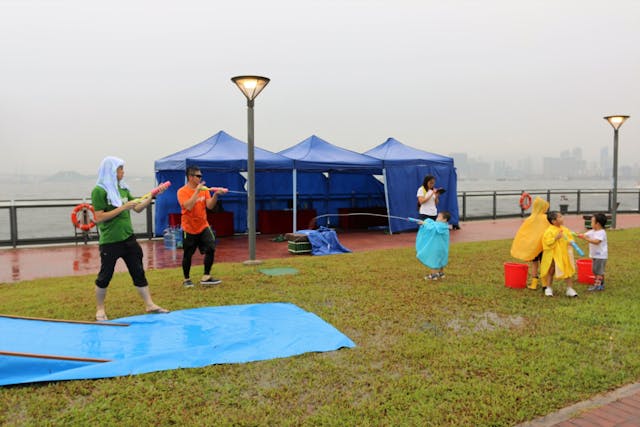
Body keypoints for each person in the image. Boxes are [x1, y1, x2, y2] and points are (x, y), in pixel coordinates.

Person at [91, 156, 169, 321]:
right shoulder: (99, 191)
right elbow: (98, 217)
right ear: (111, 171)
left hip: (128, 239)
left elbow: (138, 207)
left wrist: (153, 195)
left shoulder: (123, 189)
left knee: (138, 271)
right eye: (120, 169)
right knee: (105, 275)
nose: (123, 172)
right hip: (110, 242)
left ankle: (149, 304)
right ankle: (100, 309)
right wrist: (122, 208)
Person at [177, 166, 227, 288]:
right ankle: (186, 279)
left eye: (201, 176)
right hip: (189, 228)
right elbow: (188, 206)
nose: (200, 178)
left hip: (203, 225)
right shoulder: (182, 191)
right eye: (198, 176)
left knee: (211, 247)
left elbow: (209, 206)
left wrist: (215, 195)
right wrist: (196, 191)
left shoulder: (204, 190)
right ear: (190, 177)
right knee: (188, 254)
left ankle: (206, 276)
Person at [510, 196, 550, 290]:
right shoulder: (546, 218)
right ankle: (545, 284)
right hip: (544, 246)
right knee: (544, 264)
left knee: (535, 264)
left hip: (534, 247)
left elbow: (524, 233)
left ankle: (534, 284)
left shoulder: (530, 219)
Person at [539, 211, 579, 298]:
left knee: (567, 270)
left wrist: (571, 241)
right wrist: (555, 238)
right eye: (560, 217)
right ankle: (548, 287)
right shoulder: (549, 231)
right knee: (551, 270)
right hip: (554, 255)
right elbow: (547, 242)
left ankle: (570, 289)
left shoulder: (564, 229)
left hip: (563, 254)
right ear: (553, 221)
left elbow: (569, 238)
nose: (562, 218)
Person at [577, 213, 608, 291]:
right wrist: (578, 235)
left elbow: (596, 241)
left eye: (592, 222)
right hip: (595, 255)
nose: (591, 223)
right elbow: (585, 235)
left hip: (600, 256)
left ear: (597, 224)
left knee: (598, 271)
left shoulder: (601, 232)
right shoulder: (593, 231)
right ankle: (600, 284)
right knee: (596, 270)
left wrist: (585, 239)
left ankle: (598, 286)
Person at [416, 211, 451, 280]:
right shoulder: (444, 226)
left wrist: (423, 223)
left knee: (434, 260)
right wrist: (425, 223)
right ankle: (441, 273)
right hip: (443, 248)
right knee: (441, 260)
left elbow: (432, 227)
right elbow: (432, 224)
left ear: (444, 220)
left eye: (439, 217)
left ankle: (433, 275)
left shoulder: (440, 226)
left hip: (436, 248)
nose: (437, 218)